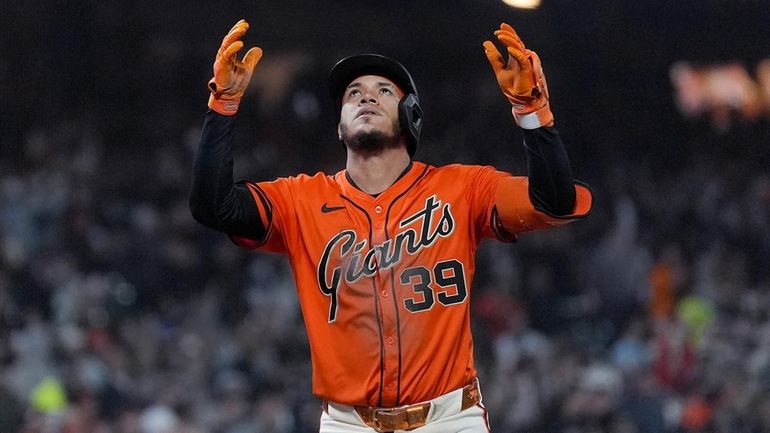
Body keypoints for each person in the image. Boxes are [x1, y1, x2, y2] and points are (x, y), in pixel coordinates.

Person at [190, 19, 592, 433]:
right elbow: (212, 206)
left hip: (450, 419)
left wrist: (532, 112)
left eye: (383, 91)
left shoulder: (462, 188)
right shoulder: (300, 201)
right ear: (339, 126)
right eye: (353, 94)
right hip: (350, 424)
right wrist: (222, 106)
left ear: (410, 115)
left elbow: (555, 200)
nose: (366, 98)